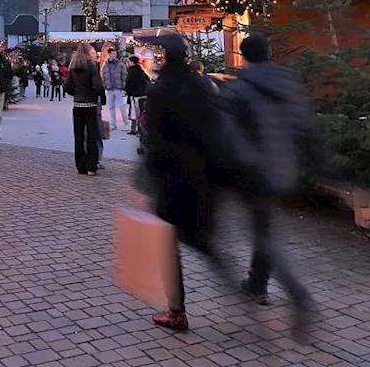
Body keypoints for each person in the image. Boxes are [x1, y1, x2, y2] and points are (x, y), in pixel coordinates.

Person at [140, 33, 238, 332]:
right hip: (204, 177)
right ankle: (234, 286)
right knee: (202, 241)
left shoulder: (160, 90)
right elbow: (219, 128)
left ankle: (177, 311)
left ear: (165, 57)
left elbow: (154, 142)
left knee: (168, 247)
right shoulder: (203, 85)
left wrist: (144, 184)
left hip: (172, 181)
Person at [227, 33, 320, 329]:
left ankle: (297, 294)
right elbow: (306, 125)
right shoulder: (288, 81)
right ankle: (257, 283)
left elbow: (230, 134)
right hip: (285, 169)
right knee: (263, 229)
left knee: (262, 234)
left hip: (255, 172)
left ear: (244, 56)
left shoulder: (241, 87)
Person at [64, 43, 103, 175]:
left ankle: (81, 166)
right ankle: (91, 166)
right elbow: (98, 86)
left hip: (77, 104)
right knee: (91, 136)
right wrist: (95, 94)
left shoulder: (73, 67)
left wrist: (76, 93)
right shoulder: (91, 67)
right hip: (90, 104)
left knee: (79, 136)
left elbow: (67, 86)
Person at [100, 46, 127, 131]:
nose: (113, 55)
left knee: (122, 106)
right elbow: (103, 76)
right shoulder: (105, 65)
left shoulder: (120, 64)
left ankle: (126, 123)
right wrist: (104, 85)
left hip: (118, 88)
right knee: (111, 107)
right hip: (109, 88)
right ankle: (113, 124)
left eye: (114, 54)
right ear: (109, 54)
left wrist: (123, 87)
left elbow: (124, 75)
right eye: (112, 54)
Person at [124, 54, 150, 137]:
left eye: (128, 61)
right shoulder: (141, 71)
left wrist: (127, 92)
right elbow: (148, 80)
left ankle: (136, 129)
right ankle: (140, 129)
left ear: (132, 62)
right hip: (143, 94)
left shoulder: (131, 71)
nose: (127, 63)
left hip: (135, 95)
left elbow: (128, 83)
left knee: (134, 113)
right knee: (141, 112)